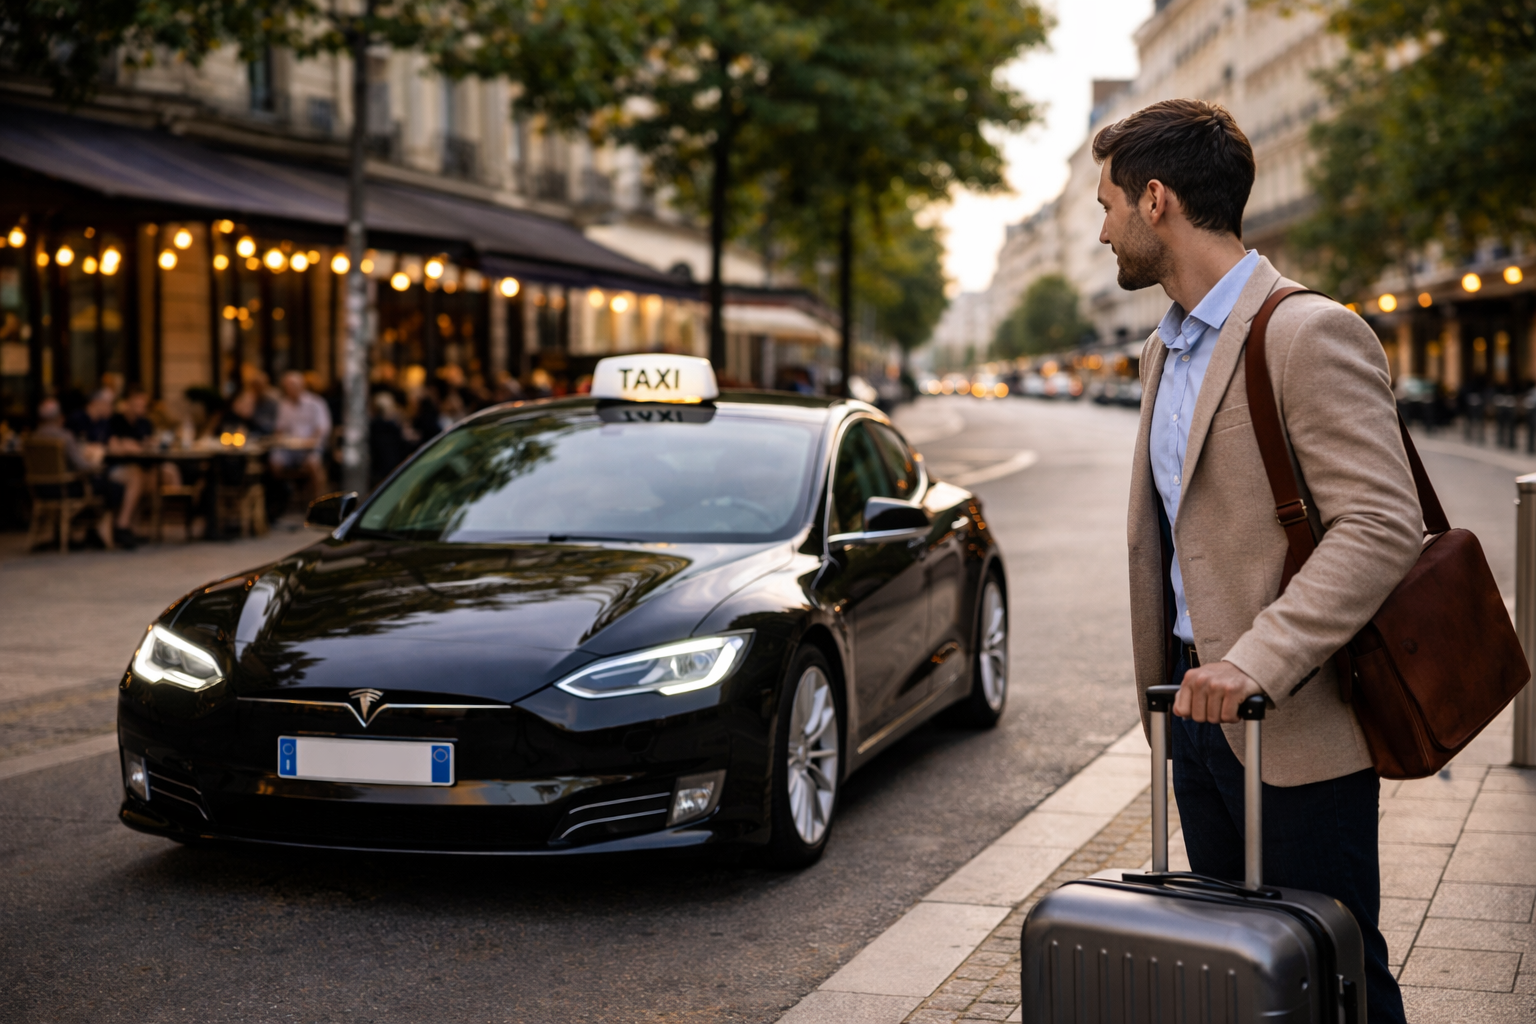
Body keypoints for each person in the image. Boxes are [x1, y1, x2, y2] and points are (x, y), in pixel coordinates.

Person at [1096, 99, 1419, 1024]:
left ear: (1156, 201)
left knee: (1340, 972)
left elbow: (1380, 525)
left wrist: (1257, 662)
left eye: (1109, 205)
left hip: (1295, 720)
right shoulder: (1165, 346)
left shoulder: (1308, 332)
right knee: (1241, 969)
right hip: (1194, 716)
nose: (1103, 230)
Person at [270, 370, 331, 505]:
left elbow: (322, 428)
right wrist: (279, 438)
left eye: (293, 386)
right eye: (288, 387)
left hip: (311, 446)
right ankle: (285, 497)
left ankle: (317, 501)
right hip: (290, 448)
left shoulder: (315, 403)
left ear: (301, 386)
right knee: (274, 462)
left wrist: (310, 441)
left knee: (313, 463)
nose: (290, 390)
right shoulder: (284, 404)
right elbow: (280, 428)